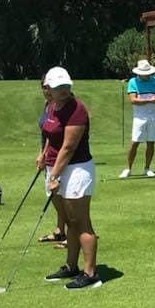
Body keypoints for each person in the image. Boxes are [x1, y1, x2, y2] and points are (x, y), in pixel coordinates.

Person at [40, 67, 100, 290]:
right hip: (54, 168)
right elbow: (50, 135)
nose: (64, 90)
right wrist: (44, 156)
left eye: (66, 86)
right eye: (59, 87)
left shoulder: (77, 109)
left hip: (76, 170)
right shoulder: (52, 106)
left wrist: (54, 175)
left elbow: (68, 147)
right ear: (48, 89)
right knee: (68, 220)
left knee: (80, 222)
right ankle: (71, 266)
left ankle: (90, 273)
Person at [119, 59, 155, 178]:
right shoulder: (133, 82)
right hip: (139, 117)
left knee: (151, 142)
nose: (146, 75)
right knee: (135, 142)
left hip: (154, 116)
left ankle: (147, 168)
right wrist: (149, 100)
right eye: (144, 73)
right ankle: (128, 169)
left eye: (148, 73)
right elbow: (133, 100)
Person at [36, 74, 67, 248]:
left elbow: (54, 135)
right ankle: (60, 230)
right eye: (44, 87)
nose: (46, 91)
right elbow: (45, 132)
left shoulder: (60, 105)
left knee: (60, 195)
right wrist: (41, 153)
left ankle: (72, 232)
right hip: (48, 156)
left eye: (49, 87)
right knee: (54, 194)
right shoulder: (48, 105)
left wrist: (44, 153)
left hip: (59, 156)